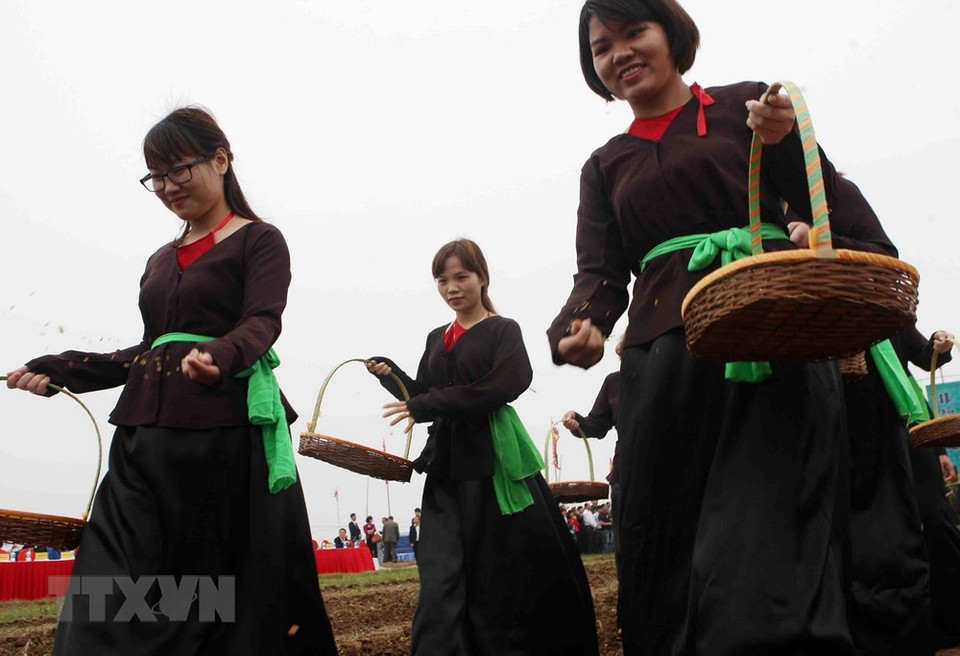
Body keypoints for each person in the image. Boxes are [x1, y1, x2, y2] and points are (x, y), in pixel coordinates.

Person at [548, 2, 853, 653]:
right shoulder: (606, 165)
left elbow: (825, 204)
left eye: (635, 32)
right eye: (603, 46)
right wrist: (583, 325)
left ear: (671, 33)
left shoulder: (748, 109)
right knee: (664, 544)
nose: (621, 53)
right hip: (663, 367)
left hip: (769, 347)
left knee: (768, 541)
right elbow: (599, 275)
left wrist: (783, 143)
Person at [5, 106, 337, 655]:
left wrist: (221, 354)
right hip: (141, 442)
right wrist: (60, 367)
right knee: (107, 594)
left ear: (221, 159)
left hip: (224, 441)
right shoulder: (160, 260)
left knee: (218, 600)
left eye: (177, 170)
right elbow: (147, 350)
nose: (166, 187)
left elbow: (262, 322)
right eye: (155, 176)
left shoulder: (259, 240)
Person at [367, 238, 599, 655]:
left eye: (461, 277)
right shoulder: (437, 337)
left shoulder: (502, 330)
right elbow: (425, 393)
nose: (452, 288)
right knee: (440, 574)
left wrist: (428, 403)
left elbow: (503, 385)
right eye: (443, 280)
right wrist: (393, 376)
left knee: (501, 573)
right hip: (444, 468)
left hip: (493, 467)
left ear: (482, 278)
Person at [786, 179, 936, 655]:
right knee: (819, 520)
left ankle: (900, 633)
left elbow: (881, 258)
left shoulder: (835, 192)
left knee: (888, 520)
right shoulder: (747, 202)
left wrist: (820, 241)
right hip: (795, 381)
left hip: (870, 394)